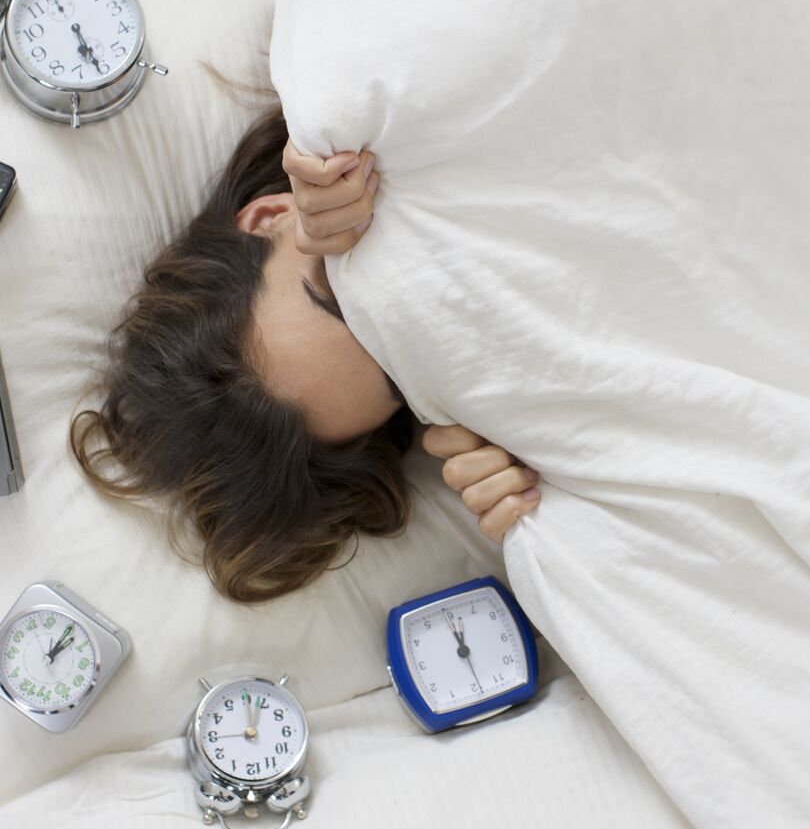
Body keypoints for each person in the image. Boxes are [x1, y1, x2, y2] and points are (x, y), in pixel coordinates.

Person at [71, 107, 540, 603]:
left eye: (341, 292)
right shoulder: (499, 389)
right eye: (398, 370)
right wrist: (533, 452)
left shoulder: (349, 99)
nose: (414, 302)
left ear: (270, 216)